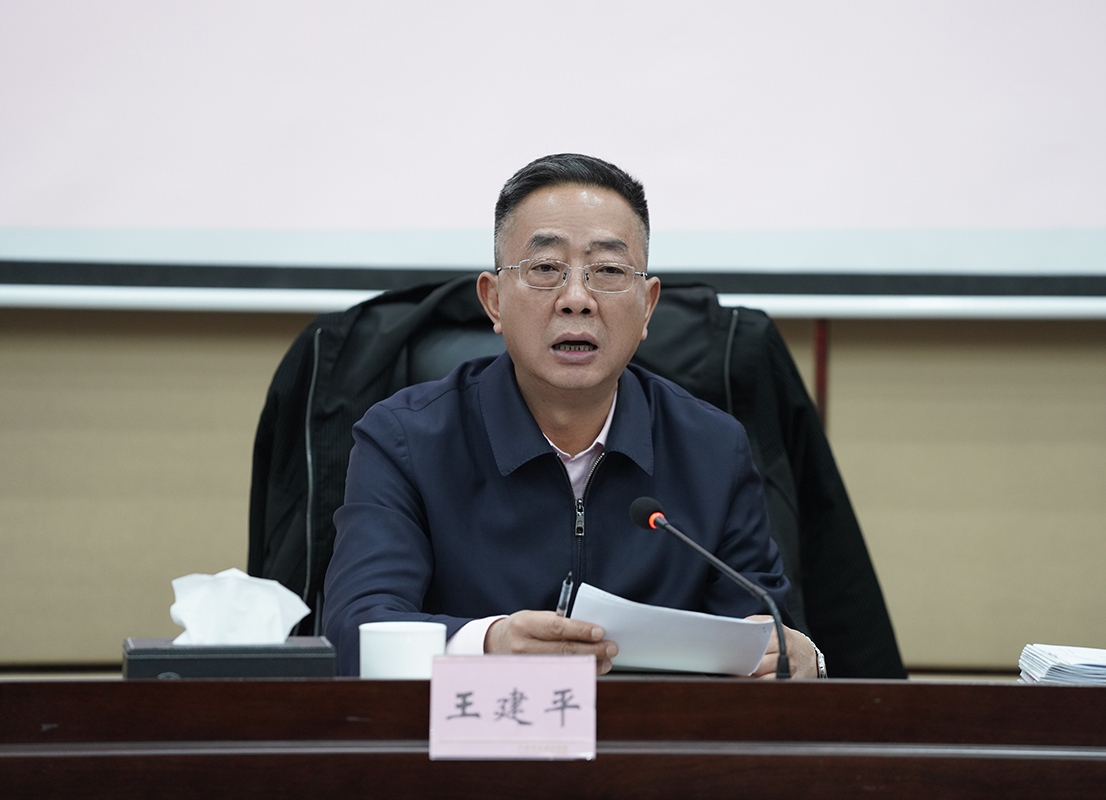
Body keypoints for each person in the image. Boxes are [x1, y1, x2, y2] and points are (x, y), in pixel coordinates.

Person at [323, 153, 822, 678]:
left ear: (647, 306)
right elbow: (357, 628)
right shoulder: (405, 439)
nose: (577, 299)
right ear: (493, 301)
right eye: (545, 269)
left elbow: (762, 632)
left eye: (608, 271)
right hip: (476, 727)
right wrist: (488, 644)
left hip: (652, 729)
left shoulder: (712, 448)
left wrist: (799, 656)